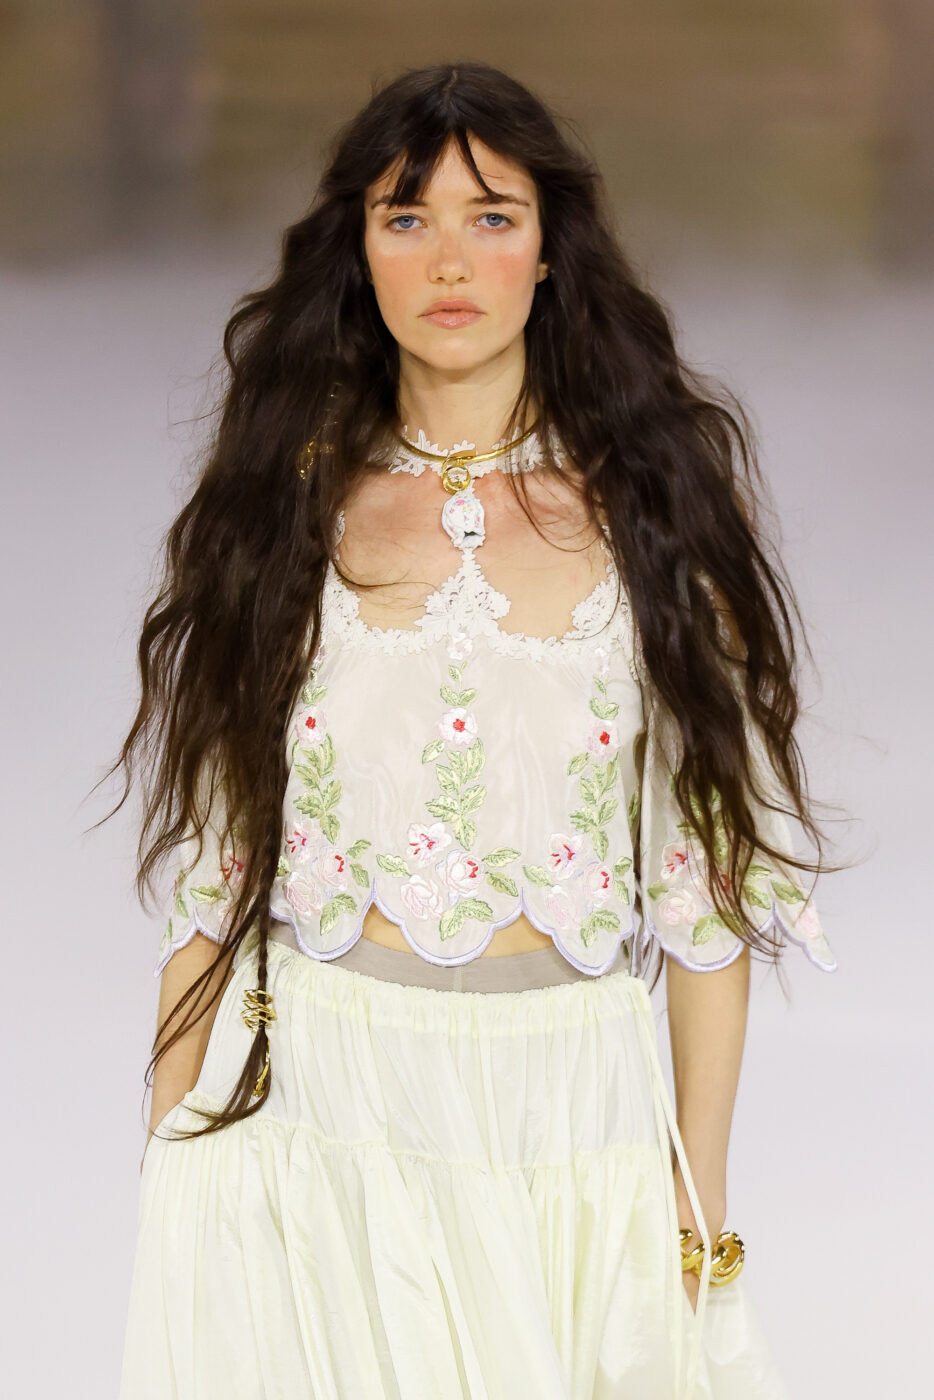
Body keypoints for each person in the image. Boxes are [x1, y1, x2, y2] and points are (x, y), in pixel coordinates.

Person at [113, 61, 839, 1400]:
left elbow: (704, 893)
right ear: (359, 249)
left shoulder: (653, 515)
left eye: (491, 216)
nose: (449, 259)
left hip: (568, 1118)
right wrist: (170, 1150)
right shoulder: (282, 511)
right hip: (318, 1113)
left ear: (550, 250)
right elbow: (217, 878)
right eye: (407, 217)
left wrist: (698, 1195)